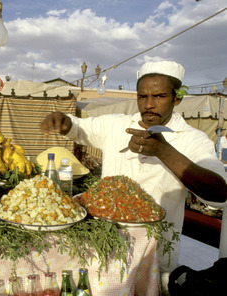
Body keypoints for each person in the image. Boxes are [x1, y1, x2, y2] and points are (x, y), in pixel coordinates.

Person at [40, 61, 227, 289]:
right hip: (105, 243)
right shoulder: (118, 125)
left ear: (176, 99)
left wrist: (164, 151)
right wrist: (64, 121)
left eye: (159, 96)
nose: (149, 105)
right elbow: (80, 128)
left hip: (155, 250)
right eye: (142, 97)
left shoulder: (192, 139)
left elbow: (219, 195)